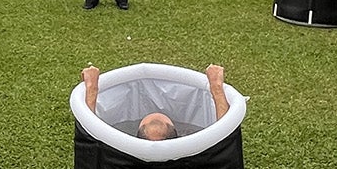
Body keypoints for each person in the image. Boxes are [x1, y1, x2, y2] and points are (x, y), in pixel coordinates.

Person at [80, 64, 230, 141]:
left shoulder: (119, 155)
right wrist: (216, 88)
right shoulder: (194, 154)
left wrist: (91, 89)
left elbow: (90, 142)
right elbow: (223, 144)